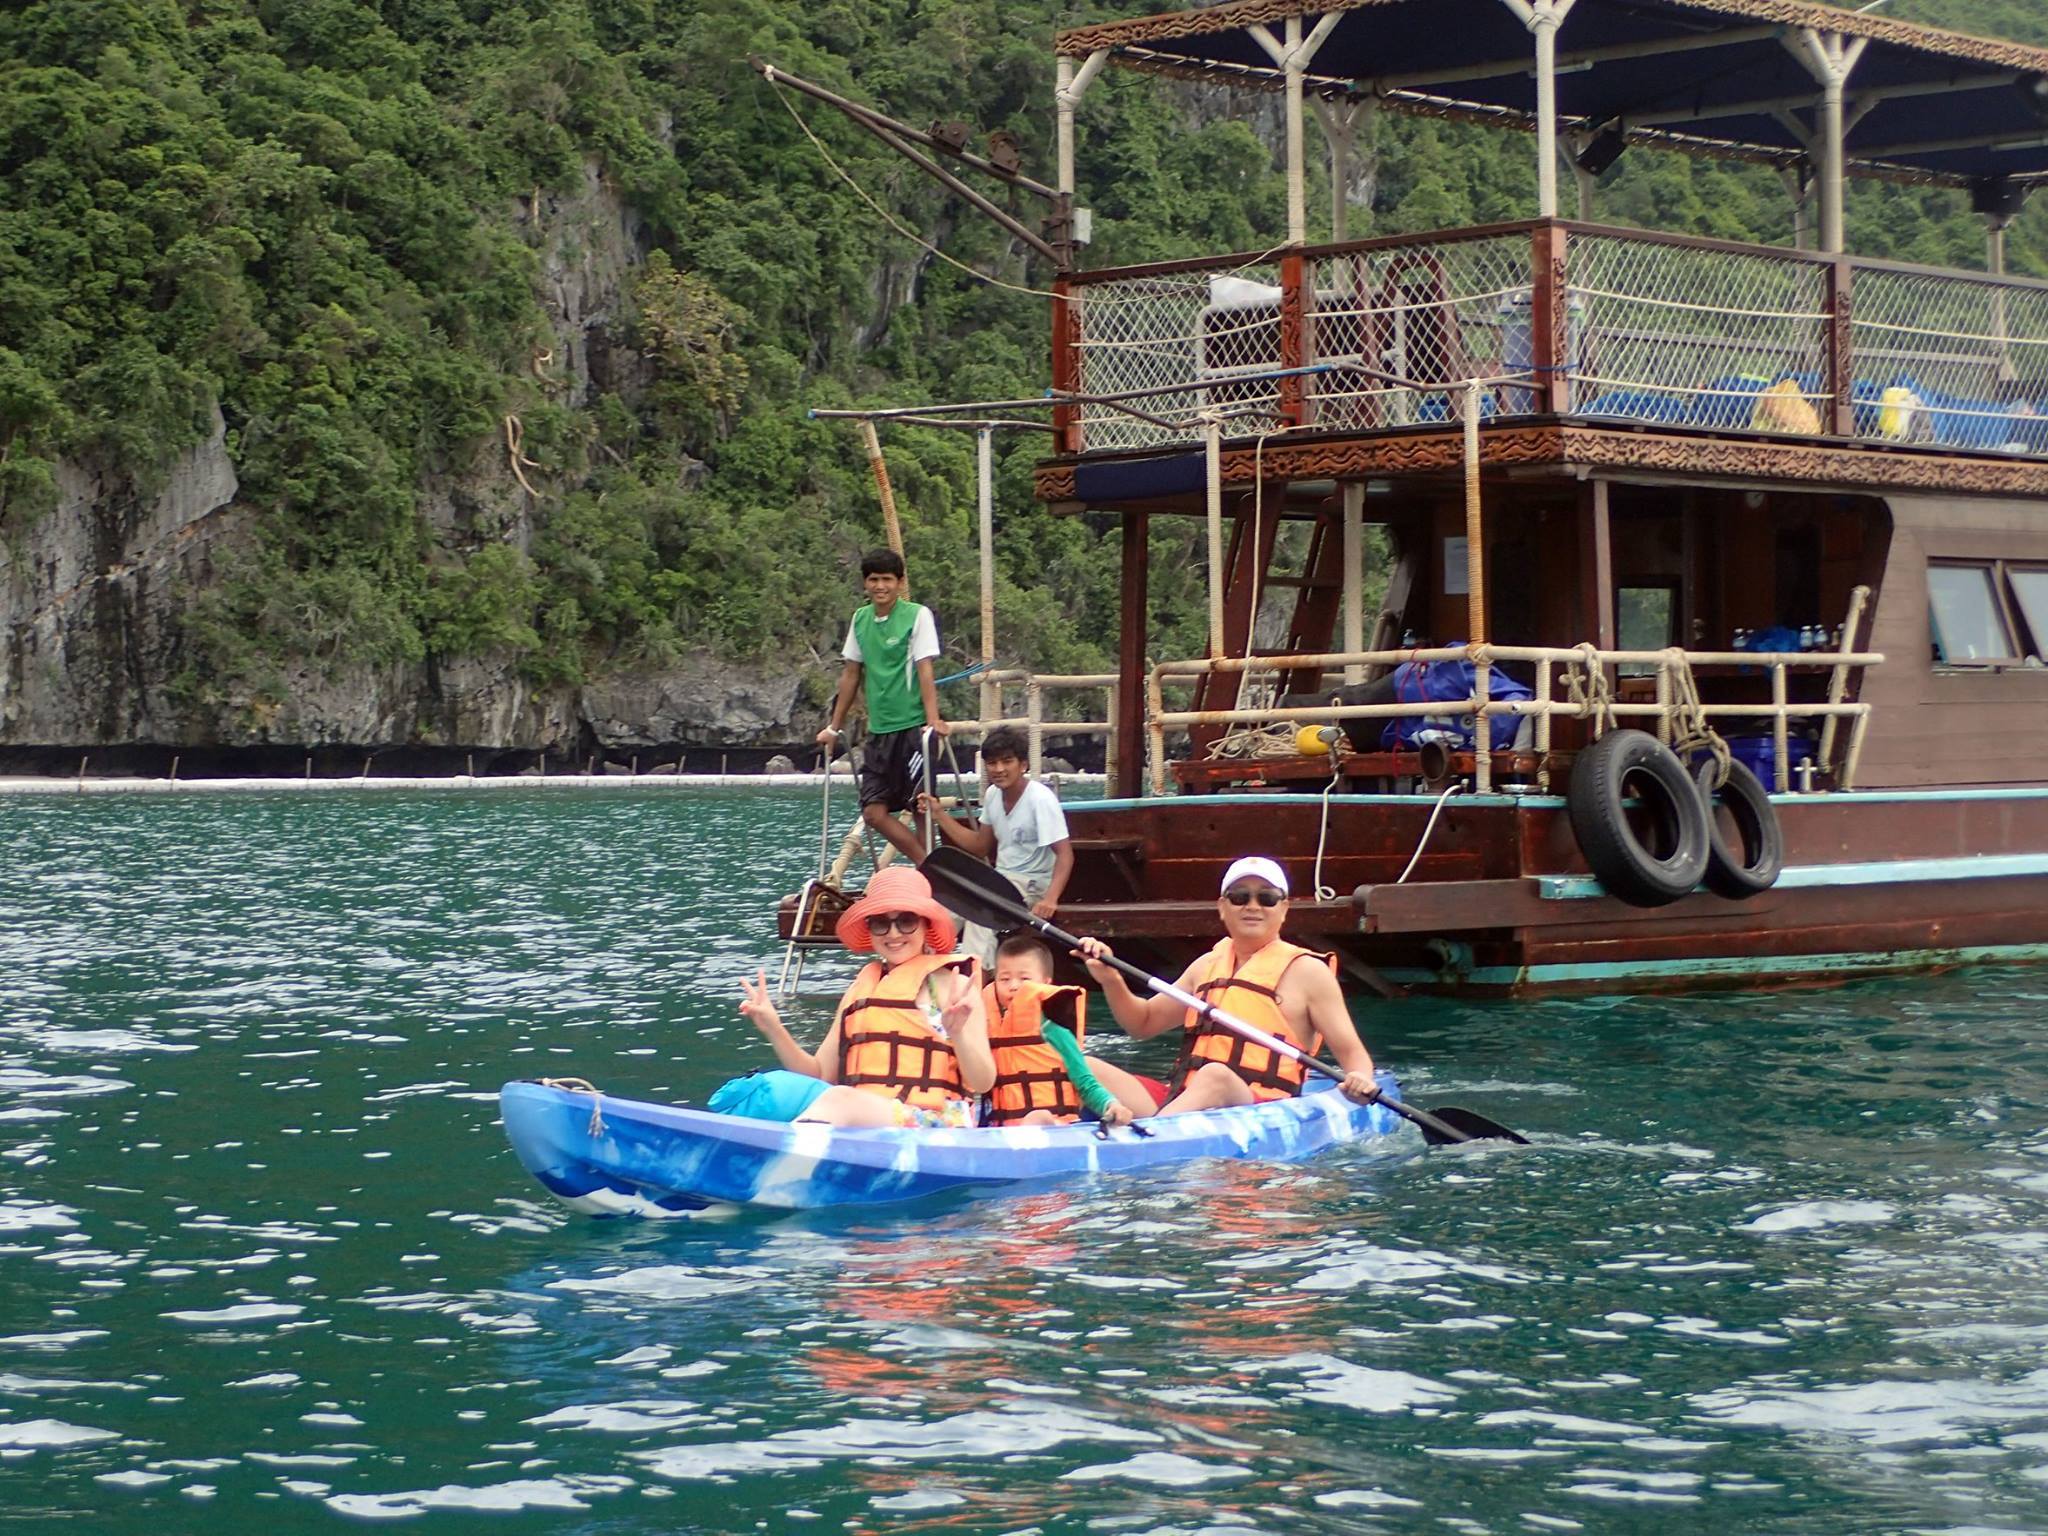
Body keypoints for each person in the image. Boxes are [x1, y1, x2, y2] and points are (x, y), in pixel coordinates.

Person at [1078, 856, 1377, 1116]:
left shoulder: (1308, 972)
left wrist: (1361, 1078)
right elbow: (1142, 1023)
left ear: (1283, 909)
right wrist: (1111, 979)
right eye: (1240, 897)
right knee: (1081, 1066)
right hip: (1183, 1100)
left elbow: (1353, 1054)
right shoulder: (1206, 965)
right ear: (1223, 907)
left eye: (1267, 898)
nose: (1253, 906)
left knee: (1216, 1077)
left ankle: (1150, 1138)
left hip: (1261, 1106)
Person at [737, 865, 994, 1128]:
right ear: (870, 930)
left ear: (926, 925)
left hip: (937, 1123)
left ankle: (784, 1165)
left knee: (839, 1100)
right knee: (765, 1094)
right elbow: (820, 1075)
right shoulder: (861, 990)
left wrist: (959, 1034)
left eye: (906, 921)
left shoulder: (954, 986)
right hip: (871, 1122)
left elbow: (984, 1081)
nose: (893, 934)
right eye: (881, 923)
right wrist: (773, 1027)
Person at [818, 548, 948, 864]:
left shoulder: (917, 615)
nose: (880, 587)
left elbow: (924, 669)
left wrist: (933, 720)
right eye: (874, 580)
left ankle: (936, 873)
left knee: (920, 806)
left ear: (900, 582)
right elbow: (851, 674)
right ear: (865, 583)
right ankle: (928, 865)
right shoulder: (860, 620)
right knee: (873, 812)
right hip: (879, 732)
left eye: (887, 580)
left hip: (913, 727)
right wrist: (834, 727)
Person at [918, 724, 1072, 965]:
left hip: (1032, 885)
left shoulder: (1040, 799)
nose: (999, 769)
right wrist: (939, 815)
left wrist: (1050, 899)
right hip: (1000, 880)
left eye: (1007, 761)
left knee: (980, 918)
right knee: (943, 913)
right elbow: (980, 846)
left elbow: (1065, 855)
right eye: (992, 763)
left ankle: (974, 982)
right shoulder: (992, 795)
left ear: (1023, 765)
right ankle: (925, 975)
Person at [982, 934, 1161, 1127]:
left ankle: (1042, 1124)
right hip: (1002, 1128)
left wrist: (1111, 1105)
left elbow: (1085, 1082)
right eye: (1004, 979)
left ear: (1045, 983)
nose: (1014, 986)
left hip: (1057, 1125)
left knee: (1039, 1118)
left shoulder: (1054, 1031)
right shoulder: (986, 1029)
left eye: (1024, 979)